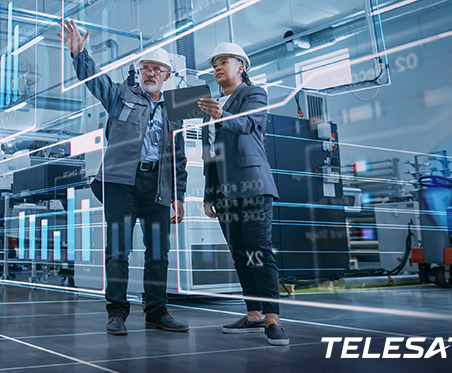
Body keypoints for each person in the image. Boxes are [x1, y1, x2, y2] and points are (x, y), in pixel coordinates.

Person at [58, 18, 188, 336]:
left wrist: (179, 195)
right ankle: (117, 312)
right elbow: (94, 80)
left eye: (158, 69)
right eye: (146, 68)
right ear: (139, 72)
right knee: (118, 250)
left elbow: (179, 157)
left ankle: (157, 311)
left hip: (158, 186)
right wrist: (79, 54)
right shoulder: (121, 95)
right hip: (120, 185)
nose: (151, 73)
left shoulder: (175, 110)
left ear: (167, 76)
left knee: (158, 252)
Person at [197, 42, 289, 346]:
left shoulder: (254, 94)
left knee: (258, 250)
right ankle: (254, 314)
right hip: (224, 192)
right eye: (214, 64)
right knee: (239, 253)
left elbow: (249, 124)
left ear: (241, 67)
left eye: (224, 61)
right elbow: (210, 155)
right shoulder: (208, 107)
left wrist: (221, 112)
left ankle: (272, 319)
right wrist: (209, 193)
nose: (217, 68)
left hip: (252, 185)